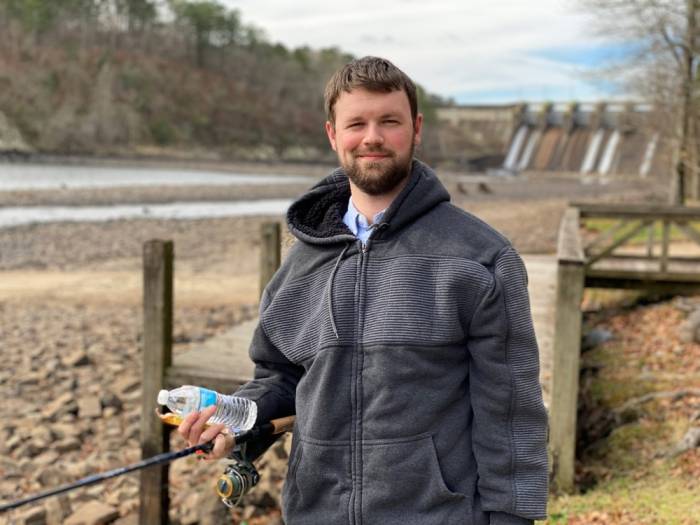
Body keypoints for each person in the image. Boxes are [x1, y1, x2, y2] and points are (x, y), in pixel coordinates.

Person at [179, 56, 548, 525]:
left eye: (388, 121)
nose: (372, 136)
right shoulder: (299, 266)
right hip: (315, 513)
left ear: (415, 129)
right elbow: (281, 378)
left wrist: (513, 518)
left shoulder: (481, 259)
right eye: (356, 123)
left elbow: (511, 410)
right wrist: (235, 419)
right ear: (333, 134)